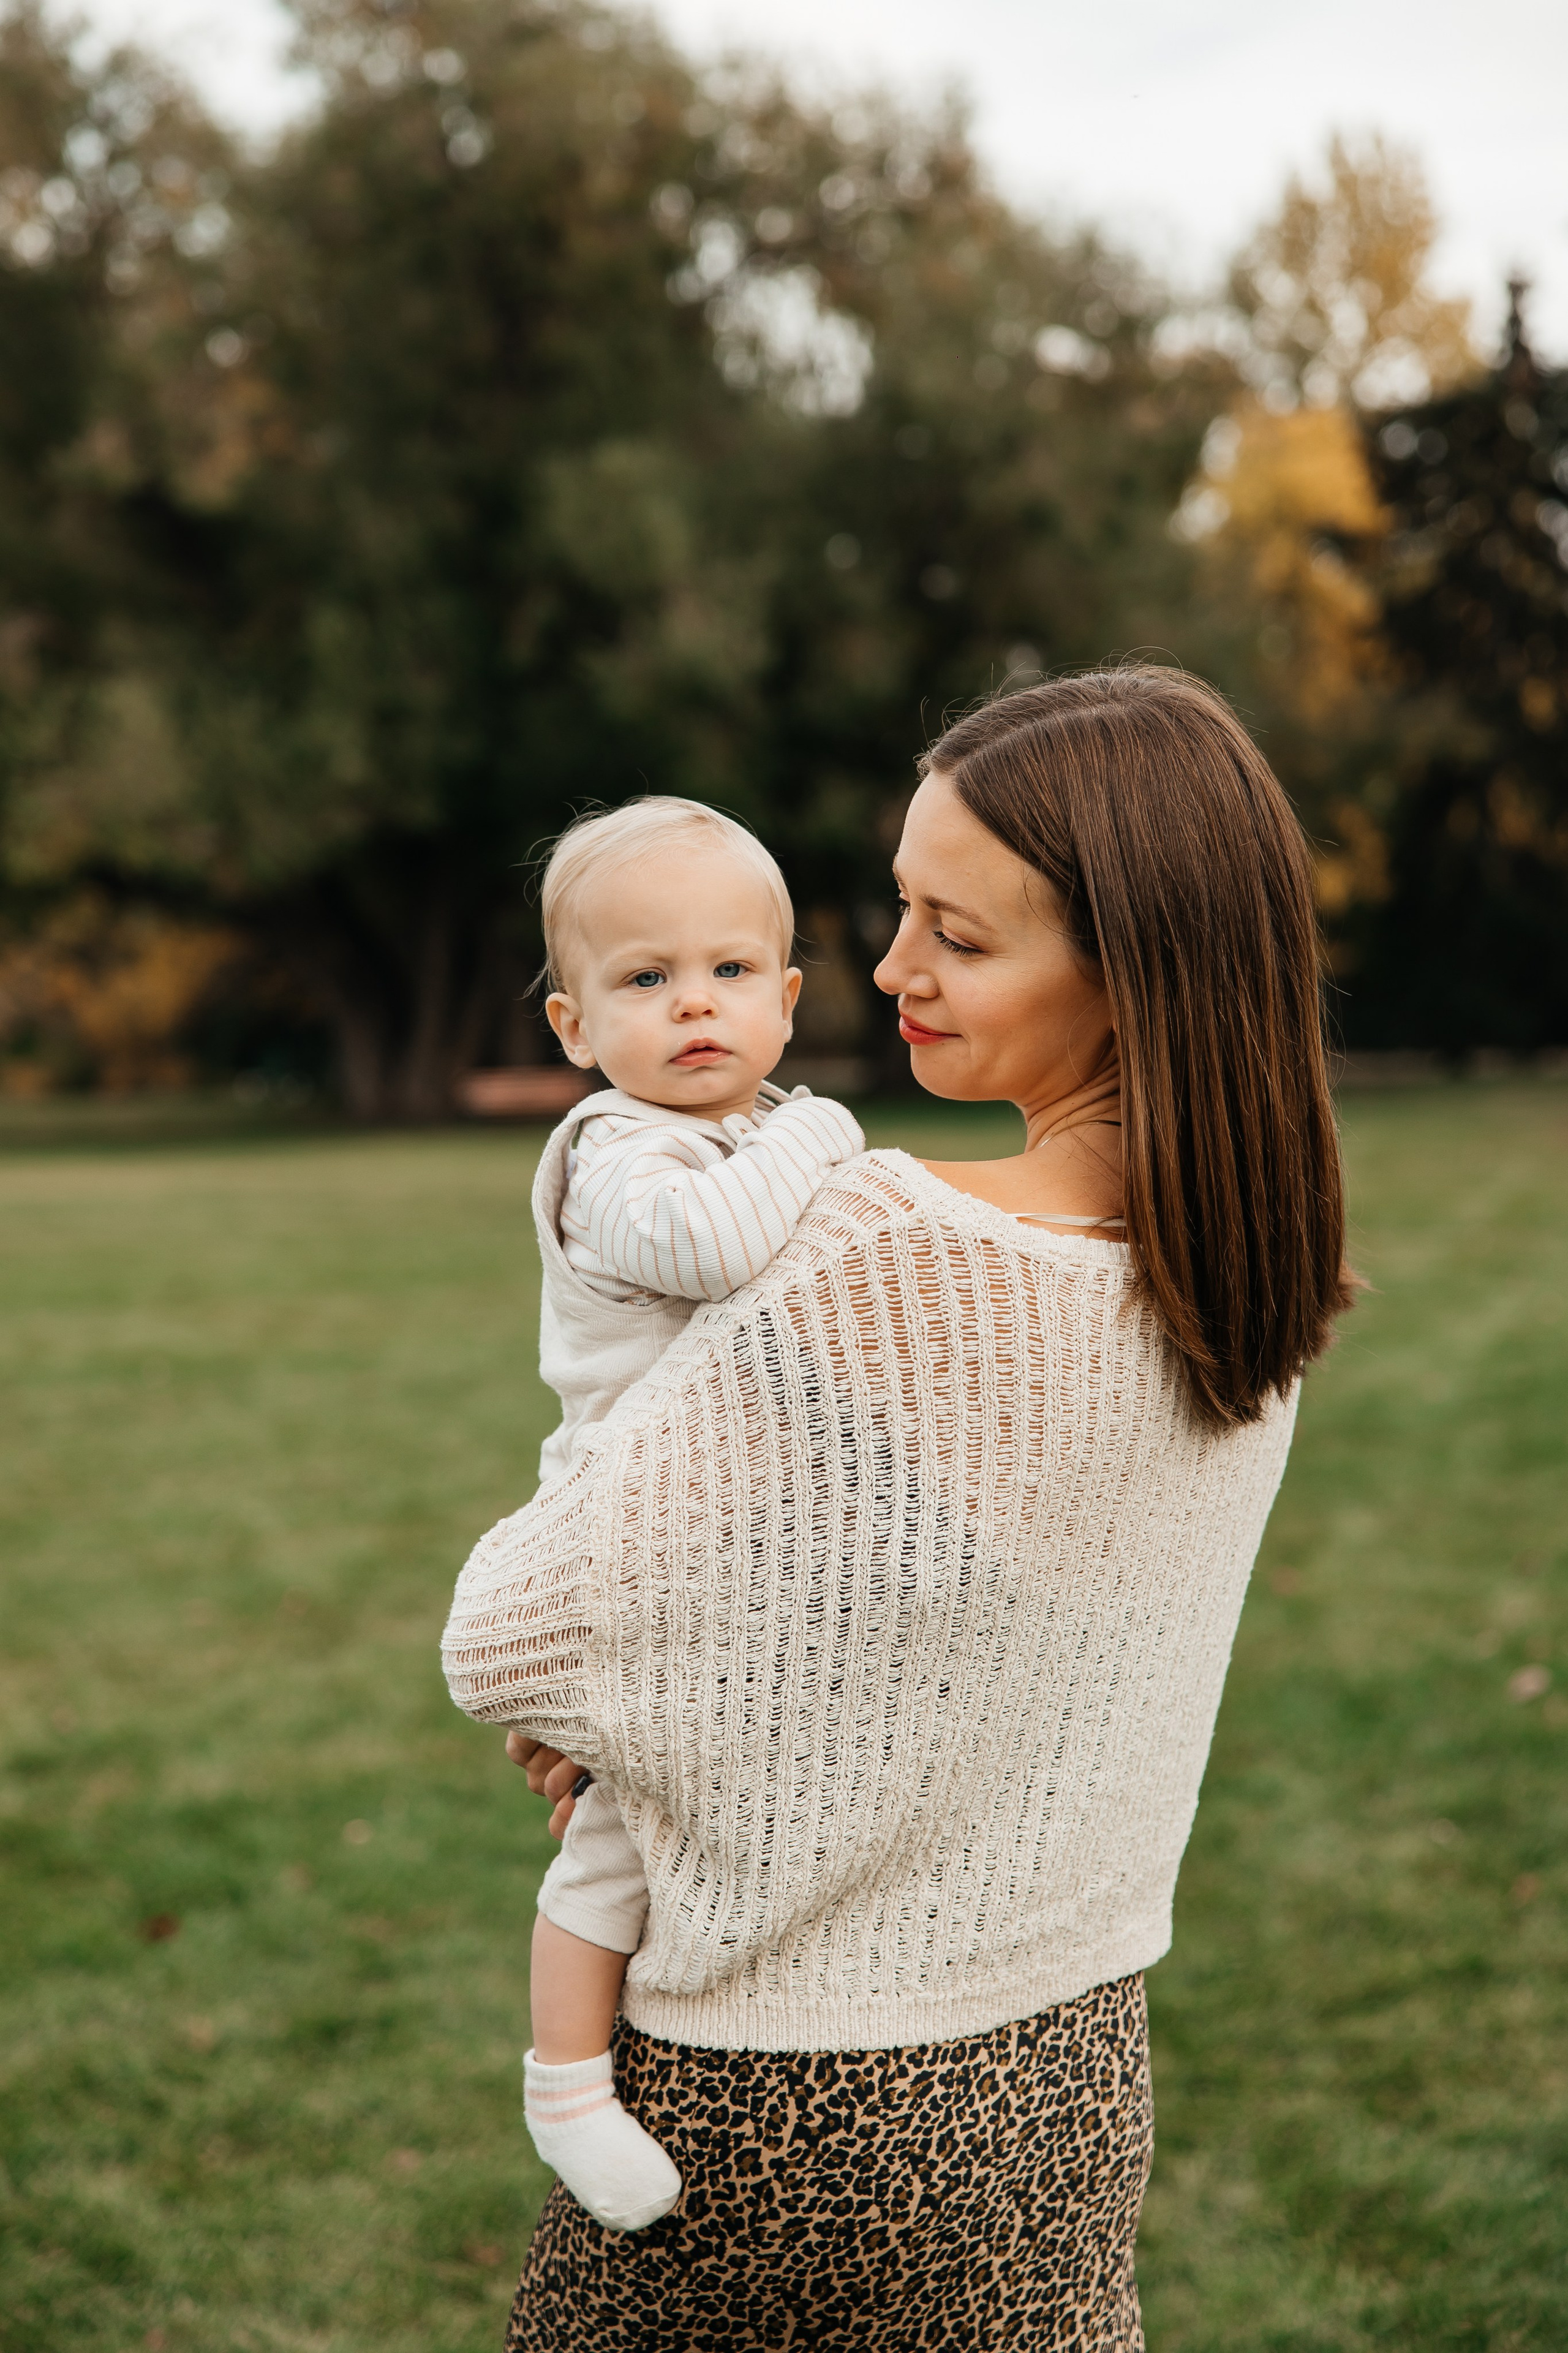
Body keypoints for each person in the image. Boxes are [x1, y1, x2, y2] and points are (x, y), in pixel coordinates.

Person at [443, 667, 1355, 2351]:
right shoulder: (1255, 1258)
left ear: (1126, 967)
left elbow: (511, 1637)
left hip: (783, 2094)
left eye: (961, 933)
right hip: (1070, 2083)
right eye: (899, 912)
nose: (890, 969)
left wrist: (620, 1709)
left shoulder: (874, 1242)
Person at [519, 798, 864, 2232]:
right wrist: (836, 1128)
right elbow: (711, 1249)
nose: (694, 1006)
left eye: (729, 972)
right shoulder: (620, 1153)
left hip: (737, 1544)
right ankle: (565, 2086)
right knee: (614, 1827)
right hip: (630, 1544)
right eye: (644, 980)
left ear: (786, 999)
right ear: (575, 1026)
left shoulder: (756, 1130)